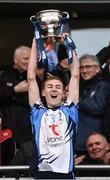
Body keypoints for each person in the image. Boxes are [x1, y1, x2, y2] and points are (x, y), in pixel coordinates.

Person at [27, 36, 79, 179]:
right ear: (43, 92)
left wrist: (68, 45)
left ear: (64, 93)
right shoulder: (38, 112)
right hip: (43, 173)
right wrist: (35, 44)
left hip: (66, 175)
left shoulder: (70, 110)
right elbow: (31, 77)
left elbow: (75, 75)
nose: (54, 90)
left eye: (58, 87)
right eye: (50, 87)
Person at [0, 45, 34, 177]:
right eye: (26, 58)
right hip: (7, 132)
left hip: (28, 131)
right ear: (16, 60)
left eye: (31, 58)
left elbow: (36, 101)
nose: (29, 61)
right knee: (6, 168)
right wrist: (14, 90)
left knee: (26, 168)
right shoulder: (3, 74)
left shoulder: (33, 77)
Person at [75, 54, 110, 152]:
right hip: (80, 144)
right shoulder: (83, 87)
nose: (84, 70)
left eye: (88, 67)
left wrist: (75, 100)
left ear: (97, 69)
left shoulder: (103, 86)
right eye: (81, 67)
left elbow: (97, 107)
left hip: (94, 145)